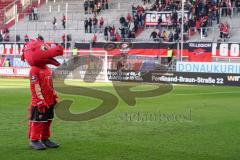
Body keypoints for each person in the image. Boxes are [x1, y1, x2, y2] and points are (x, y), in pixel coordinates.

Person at [21, 39, 64, 150]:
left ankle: (45, 139)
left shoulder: (48, 69)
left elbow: (50, 85)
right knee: (38, 121)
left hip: (50, 101)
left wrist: (55, 96)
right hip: (39, 102)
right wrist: (40, 101)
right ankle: (34, 140)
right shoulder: (34, 70)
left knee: (48, 121)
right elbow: (35, 87)